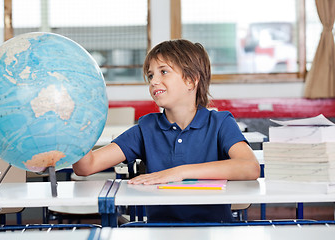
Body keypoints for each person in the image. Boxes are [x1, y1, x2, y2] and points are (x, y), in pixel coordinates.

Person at [73, 39, 260, 223]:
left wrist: (180, 172)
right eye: (151, 75)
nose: (154, 81)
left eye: (163, 72)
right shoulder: (146, 128)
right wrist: (74, 122)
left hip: (213, 231)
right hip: (160, 231)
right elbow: (86, 167)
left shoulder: (220, 123)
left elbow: (250, 167)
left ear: (191, 80)